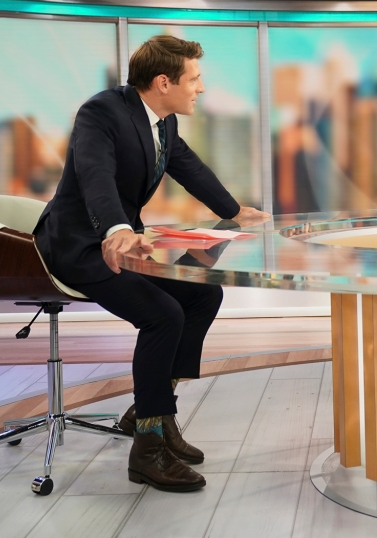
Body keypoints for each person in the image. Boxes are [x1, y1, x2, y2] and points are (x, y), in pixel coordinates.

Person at [33, 35, 269, 492]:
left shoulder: (163, 122)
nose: (200, 87)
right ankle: (147, 449)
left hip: (117, 240)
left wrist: (236, 211)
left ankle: (153, 414)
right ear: (164, 82)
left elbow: (189, 167)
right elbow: (94, 174)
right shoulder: (101, 113)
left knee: (203, 293)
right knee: (163, 315)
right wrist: (117, 229)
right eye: (195, 79)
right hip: (78, 246)